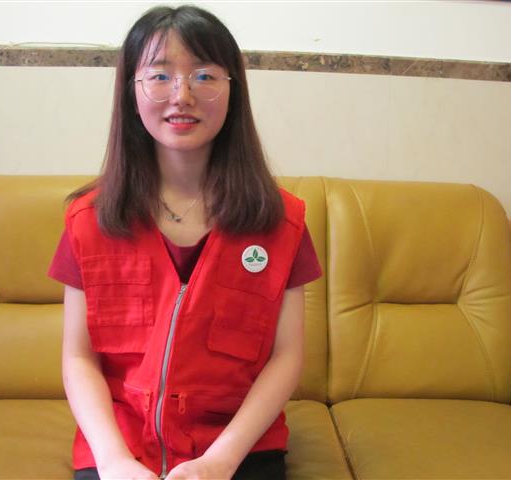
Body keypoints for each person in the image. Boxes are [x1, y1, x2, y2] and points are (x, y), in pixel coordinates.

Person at [48, 5, 321, 480]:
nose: (182, 95)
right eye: (159, 76)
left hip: (237, 446)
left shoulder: (281, 222)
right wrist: (113, 461)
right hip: (121, 445)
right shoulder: (88, 220)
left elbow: (286, 357)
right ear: (131, 92)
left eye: (204, 75)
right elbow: (78, 357)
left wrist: (220, 460)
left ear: (233, 90)